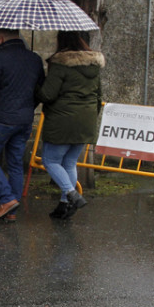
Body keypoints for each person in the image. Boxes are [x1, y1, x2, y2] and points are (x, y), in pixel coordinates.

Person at [35, 31, 104, 220]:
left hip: (62, 121)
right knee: (69, 162)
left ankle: (71, 194)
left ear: (62, 40)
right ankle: (65, 204)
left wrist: (36, 85)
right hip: (86, 120)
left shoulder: (60, 64)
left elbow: (48, 95)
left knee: (50, 161)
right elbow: (99, 96)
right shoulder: (94, 65)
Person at [0, 29, 45, 221]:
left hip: (1, 118)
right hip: (24, 118)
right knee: (15, 163)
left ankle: (7, 199)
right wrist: (28, 107)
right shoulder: (34, 59)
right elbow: (40, 89)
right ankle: (12, 212)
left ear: (0, 38)